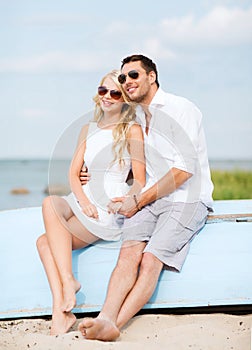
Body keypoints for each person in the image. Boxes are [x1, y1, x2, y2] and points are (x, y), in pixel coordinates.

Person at [78, 54, 214, 341]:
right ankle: (105, 317)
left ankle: (115, 324)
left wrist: (137, 201)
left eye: (134, 75)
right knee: (128, 254)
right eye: (124, 77)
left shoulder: (181, 108)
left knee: (150, 259)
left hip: (187, 199)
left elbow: (184, 169)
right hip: (152, 198)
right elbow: (137, 168)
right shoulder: (136, 117)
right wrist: (91, 176)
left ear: (151, 77)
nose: (127, 82)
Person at [36, 69, 146, 335]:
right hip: (82, 199)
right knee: (50, 203)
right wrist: (83, 201)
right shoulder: (88, 129)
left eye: (114, 93)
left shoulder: (131, 130)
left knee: (43, 242)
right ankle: (68, 282)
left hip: (107, 208)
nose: (107, 97)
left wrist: (128, 200)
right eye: (102, 91)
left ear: (124, 99)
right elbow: (73, 174)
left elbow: (140, 180)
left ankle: (60, 312)